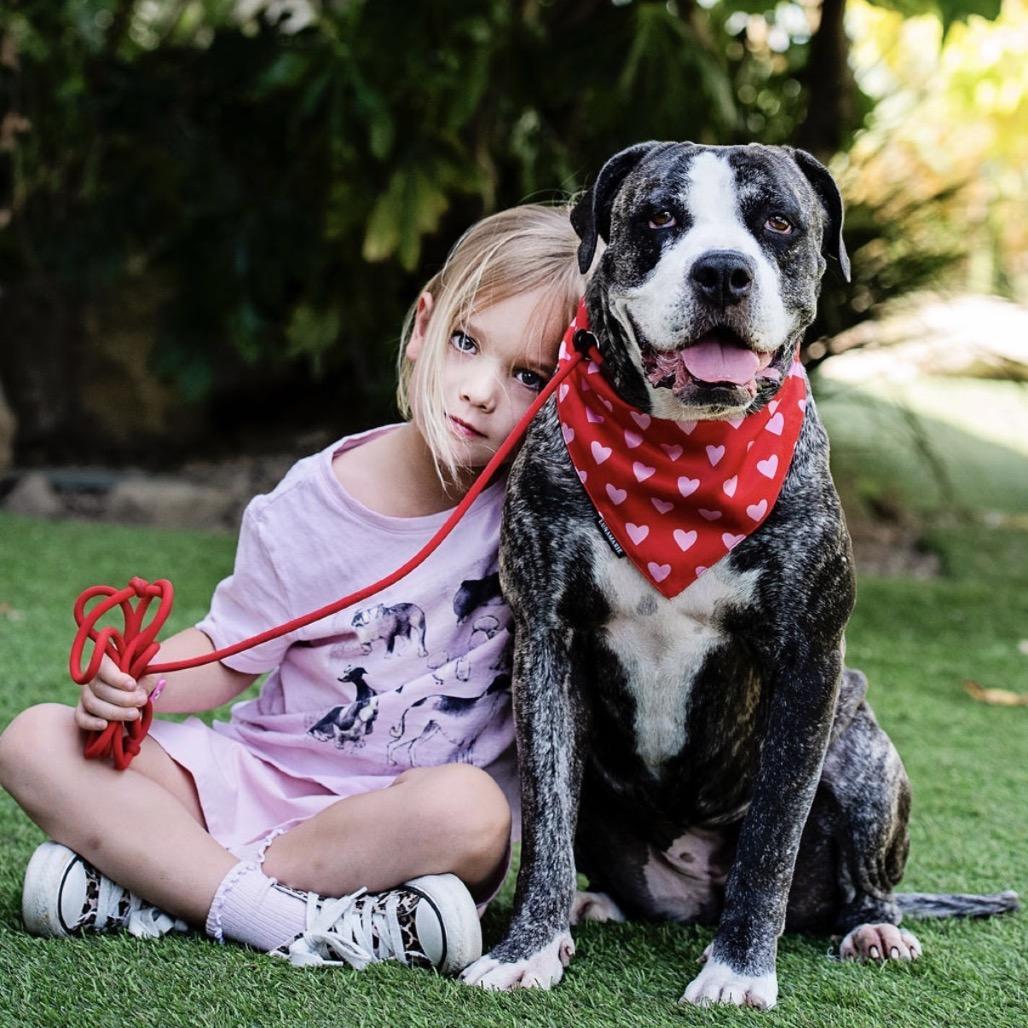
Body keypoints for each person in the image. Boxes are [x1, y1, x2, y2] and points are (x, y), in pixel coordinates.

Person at [0, 204, 585, 975]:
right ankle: (288, 916)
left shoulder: (545, 511)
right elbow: (229, 648)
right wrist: (145, 683)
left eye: (528, 376)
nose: (478, 391)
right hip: (260, 782)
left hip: (398, 830)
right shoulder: (313, 501)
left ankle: (163, 888)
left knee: (475, 813)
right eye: (466, 343)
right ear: (422, 329)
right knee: (35, 742)